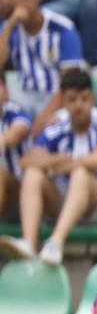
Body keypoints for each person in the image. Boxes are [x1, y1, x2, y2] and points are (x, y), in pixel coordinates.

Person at [0, 68, 97, 266]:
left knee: (80, 173)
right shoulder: (56, 126)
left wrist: (57, 162)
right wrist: (58, 162)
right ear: (62, 101)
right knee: (34, 174)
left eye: (84, 99)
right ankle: (29, 243)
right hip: (69, 205)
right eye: (72, 99)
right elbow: (27, 161)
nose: (79, 105)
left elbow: (95, 162)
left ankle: (56, 243)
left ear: (93, 98)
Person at [0, 0, 84, 134]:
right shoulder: (8, 29)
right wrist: (10, 25)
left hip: (56, 97)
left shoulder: (63, 28)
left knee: (57, 123)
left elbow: (69, 84)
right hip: (22, 97)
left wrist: (43, 119)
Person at [0, 86, 31, 219]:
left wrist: (3, 139)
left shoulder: (16, 113)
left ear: (5, 90)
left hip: (20, 192)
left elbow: (19, 131)